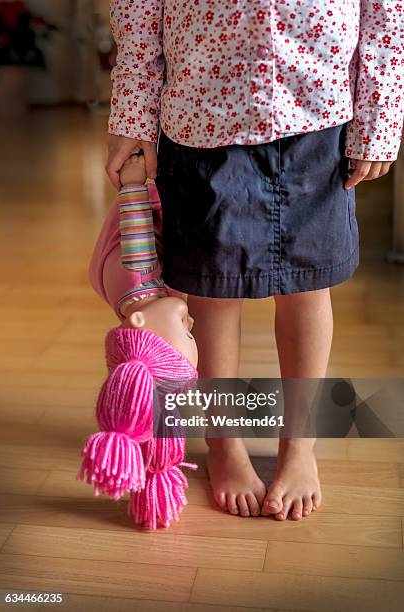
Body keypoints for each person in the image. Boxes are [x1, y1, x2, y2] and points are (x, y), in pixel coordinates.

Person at [105, 1, 403, 521]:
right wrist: (131, 113)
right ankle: (224, 441)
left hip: (318, 107)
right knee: (212, 292)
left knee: (308, 287)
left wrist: (380, 117)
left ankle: (300, 443)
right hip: (203, 108)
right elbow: (138, 9)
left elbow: (386, 11)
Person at [78, 153, 199, 529]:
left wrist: (133, 181)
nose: (191, 325)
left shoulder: (139, 273)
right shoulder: (150, 308)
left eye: (186, 330)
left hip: (152, 200)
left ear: (140, 322)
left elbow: (134, 216)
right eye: (190, 332)